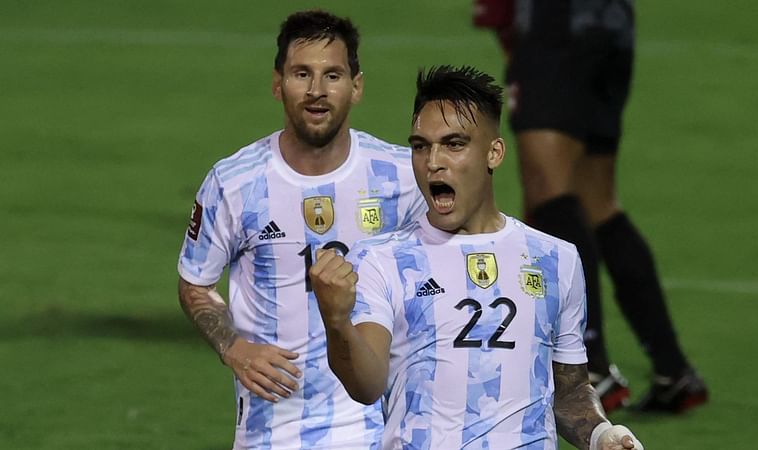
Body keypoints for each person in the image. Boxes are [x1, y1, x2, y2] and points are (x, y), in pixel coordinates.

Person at [310, 65, 643, 450]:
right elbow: (366, 385)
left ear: (494, 153)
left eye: (454, 144)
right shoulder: (383, 261)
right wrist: (337, 322)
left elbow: (568, 392)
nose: (433, 161)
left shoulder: (556, 259)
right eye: (420, 146)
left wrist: (603, 433)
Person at [176, 10, 427, 449]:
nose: (316, 91)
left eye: (332, 75)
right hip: (272, 429)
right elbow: (196, 283)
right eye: (301, 74)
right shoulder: (234, 182)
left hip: (380, 428)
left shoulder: (402, 177)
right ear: (278, 84)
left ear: (357, 86)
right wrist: (234, 348)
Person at [473, 0, 708, 413]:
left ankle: (591, 368)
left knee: (551, 194)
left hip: (557, 27)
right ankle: (673, 371)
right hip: (611, 25)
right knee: (598, 202)